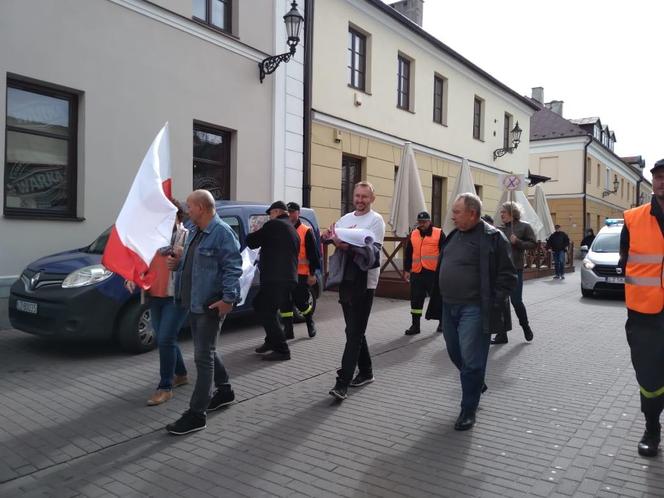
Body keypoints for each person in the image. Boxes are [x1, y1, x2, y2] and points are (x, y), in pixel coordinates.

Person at [426, 193, 516, 430]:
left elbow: (508, 275)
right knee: (455, 353)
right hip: (448, 306)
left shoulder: (493, 237)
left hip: (475, 308)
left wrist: (493, 301)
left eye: (456, 212)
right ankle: (476, 383)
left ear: (472, 213)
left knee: (472, 360)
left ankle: (468, 409)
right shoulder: (454, 235)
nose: (452, 216)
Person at [165, 190, 243, 435]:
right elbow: (194, 263)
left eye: (190, 205)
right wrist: (178, 263)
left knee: (203, 357)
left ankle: (197, 414)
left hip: (210, 305)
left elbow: (233, 267)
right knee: (207, 350)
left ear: (201, 207)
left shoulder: (221, 233)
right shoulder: (194, 230)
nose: (187, 209)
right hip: (193, 302)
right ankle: (225, 390)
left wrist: (228, 299)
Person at [619, 158, 664, 457]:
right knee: (649, 378)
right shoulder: (633, 219)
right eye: (658, 176)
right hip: (646, 316)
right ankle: (652, 428)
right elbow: (626, 263)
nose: (662, 181)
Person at [124, 200, 189, 406]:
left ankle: (165, 387)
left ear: (178, 216)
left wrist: (181, 256)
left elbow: (194, 265)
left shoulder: (186, 236)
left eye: (168, 215)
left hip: (176, 297)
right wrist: (132, 276)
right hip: (154, 295)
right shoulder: (151, 238)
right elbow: (141, 261)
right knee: (165, 339)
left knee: (165, 339)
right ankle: (181, 374)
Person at [325, 181, 385, 401]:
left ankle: (342, 384)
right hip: (346, 281)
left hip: (365, 283)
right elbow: (333, 237)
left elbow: (373, 254)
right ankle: (367, 372)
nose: (360, 200)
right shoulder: (345, 219)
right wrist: (329, 236)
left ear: (372, 199)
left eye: (365, 197)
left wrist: (347, 246)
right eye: (357, 196)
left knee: (353, 333)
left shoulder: (376, 220)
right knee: (355, 330)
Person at [247, 200, 300, 361]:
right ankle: (271, 341)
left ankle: (282, 350)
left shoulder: (274, 225)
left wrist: (255, 230)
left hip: (275, 279)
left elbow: (251, 241)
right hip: (285, 278)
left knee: (266, 310)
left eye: (270, 214)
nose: (269, 217)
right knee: (259, 304)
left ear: (276, 212)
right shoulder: (291, 228)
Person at [492, 201, 537, 344]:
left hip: (515, 270)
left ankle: (525, 327)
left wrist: (517, 242)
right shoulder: (498, 229)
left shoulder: (524, 227)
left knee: (516, 301)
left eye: (503, 212)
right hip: (500, 272)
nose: (501, 215)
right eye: (501, 212)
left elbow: (533, 244)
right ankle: (501, 334)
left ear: (512, 213)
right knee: (500, 302)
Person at [279, 201, 320, 339]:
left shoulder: (306, 230)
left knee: (301, 302)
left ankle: (310, 322)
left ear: (298, 213)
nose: (290, 214)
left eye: (292, 211)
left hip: (301, 274)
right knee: (285, 303)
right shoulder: (283, 229)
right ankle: (288, 331)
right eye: (288, 212)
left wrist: (312, 273)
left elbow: (314, 255)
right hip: (285, 274)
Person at [403, 211, 444, 335]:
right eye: (420, 222)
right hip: (417, 272)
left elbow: (445, 253)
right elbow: (408, 253)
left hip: (433, 273)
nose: (422, 224)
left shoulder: (439, 233)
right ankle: (415, 326)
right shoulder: (414, 234)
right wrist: (406, 269)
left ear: (429, 221)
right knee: (415, 300)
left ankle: (442, 323)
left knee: (437, 298)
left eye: (424, 222)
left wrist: (443, 270)